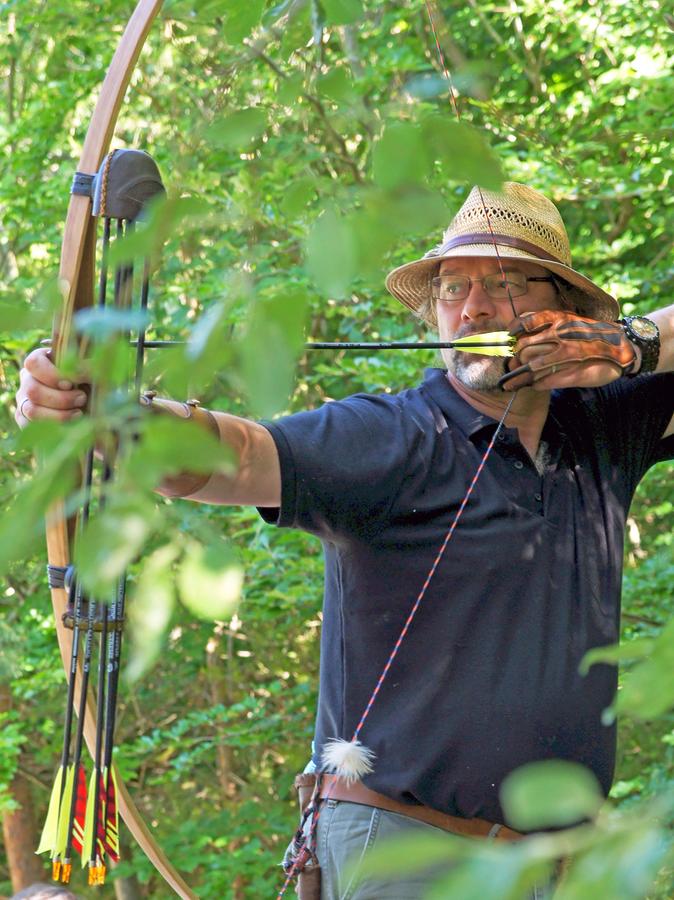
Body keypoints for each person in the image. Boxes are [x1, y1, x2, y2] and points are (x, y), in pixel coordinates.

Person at [16, 183, 674, 899]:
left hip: (561, 868)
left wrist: (632, 345)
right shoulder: (395, 437)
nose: (474, 308)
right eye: (455, 286)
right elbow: (235, 456)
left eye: (506, 282)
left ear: (565, 311)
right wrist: (106, 413)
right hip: (411, 851)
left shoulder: (603, 426)